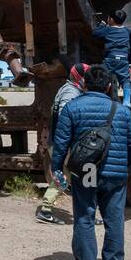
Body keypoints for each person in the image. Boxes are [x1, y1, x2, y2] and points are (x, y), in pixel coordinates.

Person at [50, 64, 131, 260]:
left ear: (84, 84)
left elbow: (61, 142)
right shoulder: (121, 111)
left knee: (84, 216)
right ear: (109, 87)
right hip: (115, 173)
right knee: (114, 219)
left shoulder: (72, 108)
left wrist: (56, 168)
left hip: (87, 171)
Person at [37, 63, 89, 224]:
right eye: (86, 75)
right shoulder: (70, 91)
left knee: (66, 177)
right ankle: (86, 214)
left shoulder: (71, 89)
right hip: (65, 144)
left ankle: (46, 210)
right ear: (79, 76)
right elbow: (66, 115)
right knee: (80, 176)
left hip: (62, 142)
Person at [94, 9, 131, 104]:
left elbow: (95, 33)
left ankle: (99, 99)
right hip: (123, 59)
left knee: (100, 76)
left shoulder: (108, 30)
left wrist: (102, 25)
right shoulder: (127, 31)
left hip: (111, 59)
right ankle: (127, 101)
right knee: (125, 80)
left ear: (111, 19)